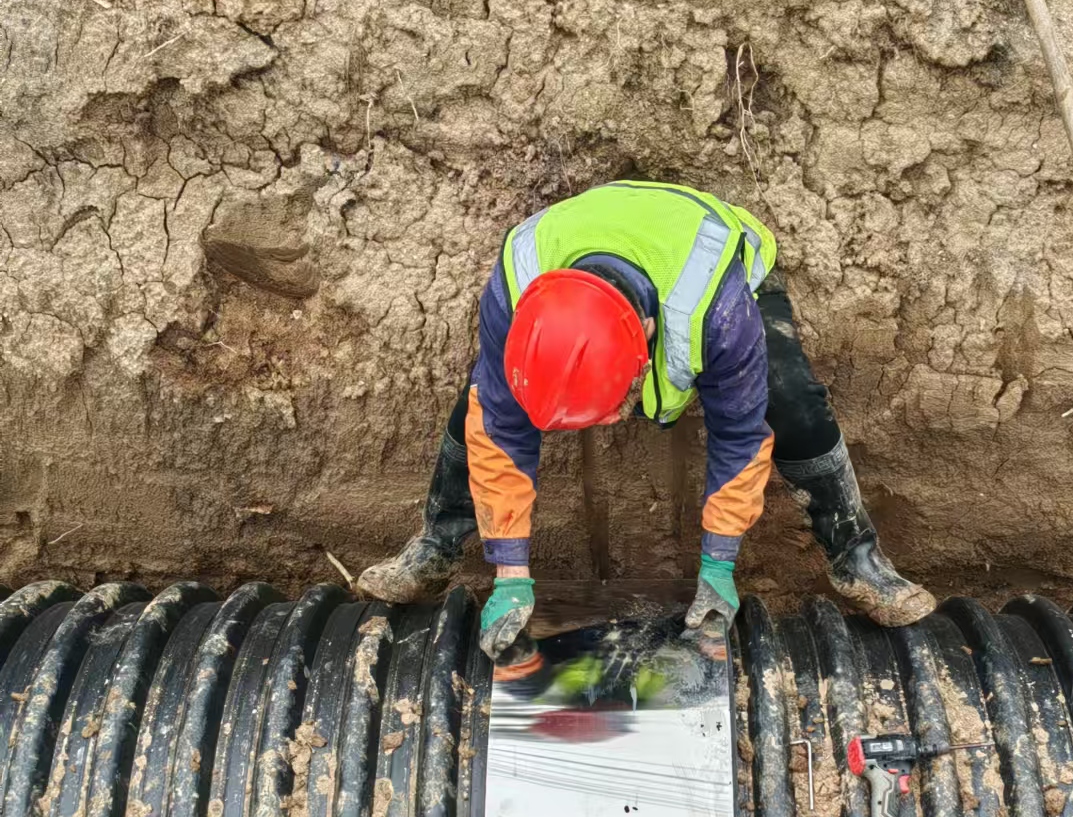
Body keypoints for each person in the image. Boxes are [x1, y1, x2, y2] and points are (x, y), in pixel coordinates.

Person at [356, 179, 935, 658]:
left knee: (791, 401)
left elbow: (740, 434)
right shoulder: (515, 284)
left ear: (649, 343)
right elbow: (500, 429)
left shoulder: (718, 311)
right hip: (596, 255)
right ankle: (436, 545)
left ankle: (858, 560)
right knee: (481, 401)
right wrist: (510, 575)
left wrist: (719, 566)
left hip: (714, 261)